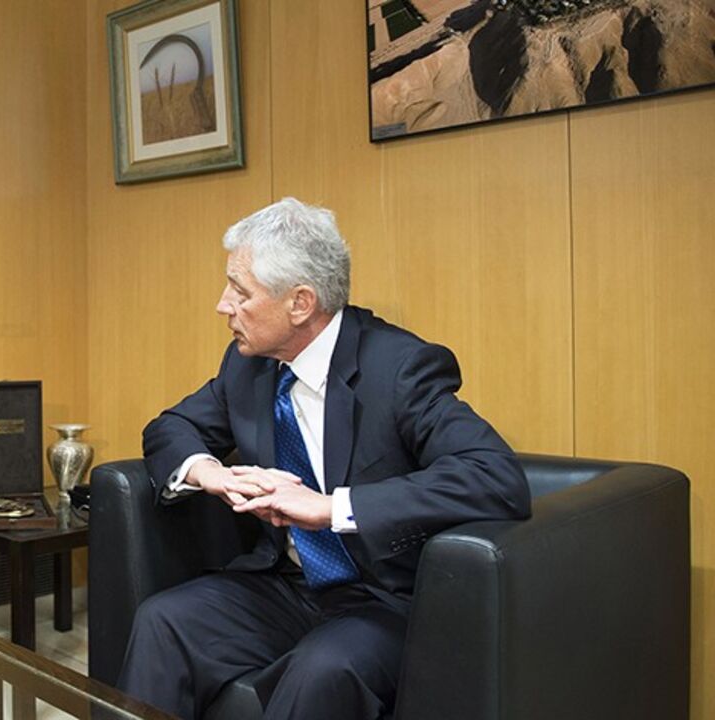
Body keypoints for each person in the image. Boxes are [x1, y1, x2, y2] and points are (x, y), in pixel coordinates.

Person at [117, 198, 531, 720]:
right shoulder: (249, 365)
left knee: (323, 669)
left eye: (240, 292)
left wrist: (331, 508)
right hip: (286, 583)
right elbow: (171, 427)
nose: (223, 306)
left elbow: (495, 476)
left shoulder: (399, 369)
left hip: (385, 599)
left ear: (300, 303)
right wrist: (212, 474)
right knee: (164, 619)